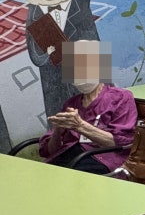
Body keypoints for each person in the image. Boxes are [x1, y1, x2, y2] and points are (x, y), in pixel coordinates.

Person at [37, 40, 137, 174]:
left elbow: (121, 144)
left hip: (102, 159)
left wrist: (80, 126)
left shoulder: (121, 97)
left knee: (65, 176)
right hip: (71, 156)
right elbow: (49, 151)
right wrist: (58, 131)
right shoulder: (71, 104)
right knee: (42, 173)